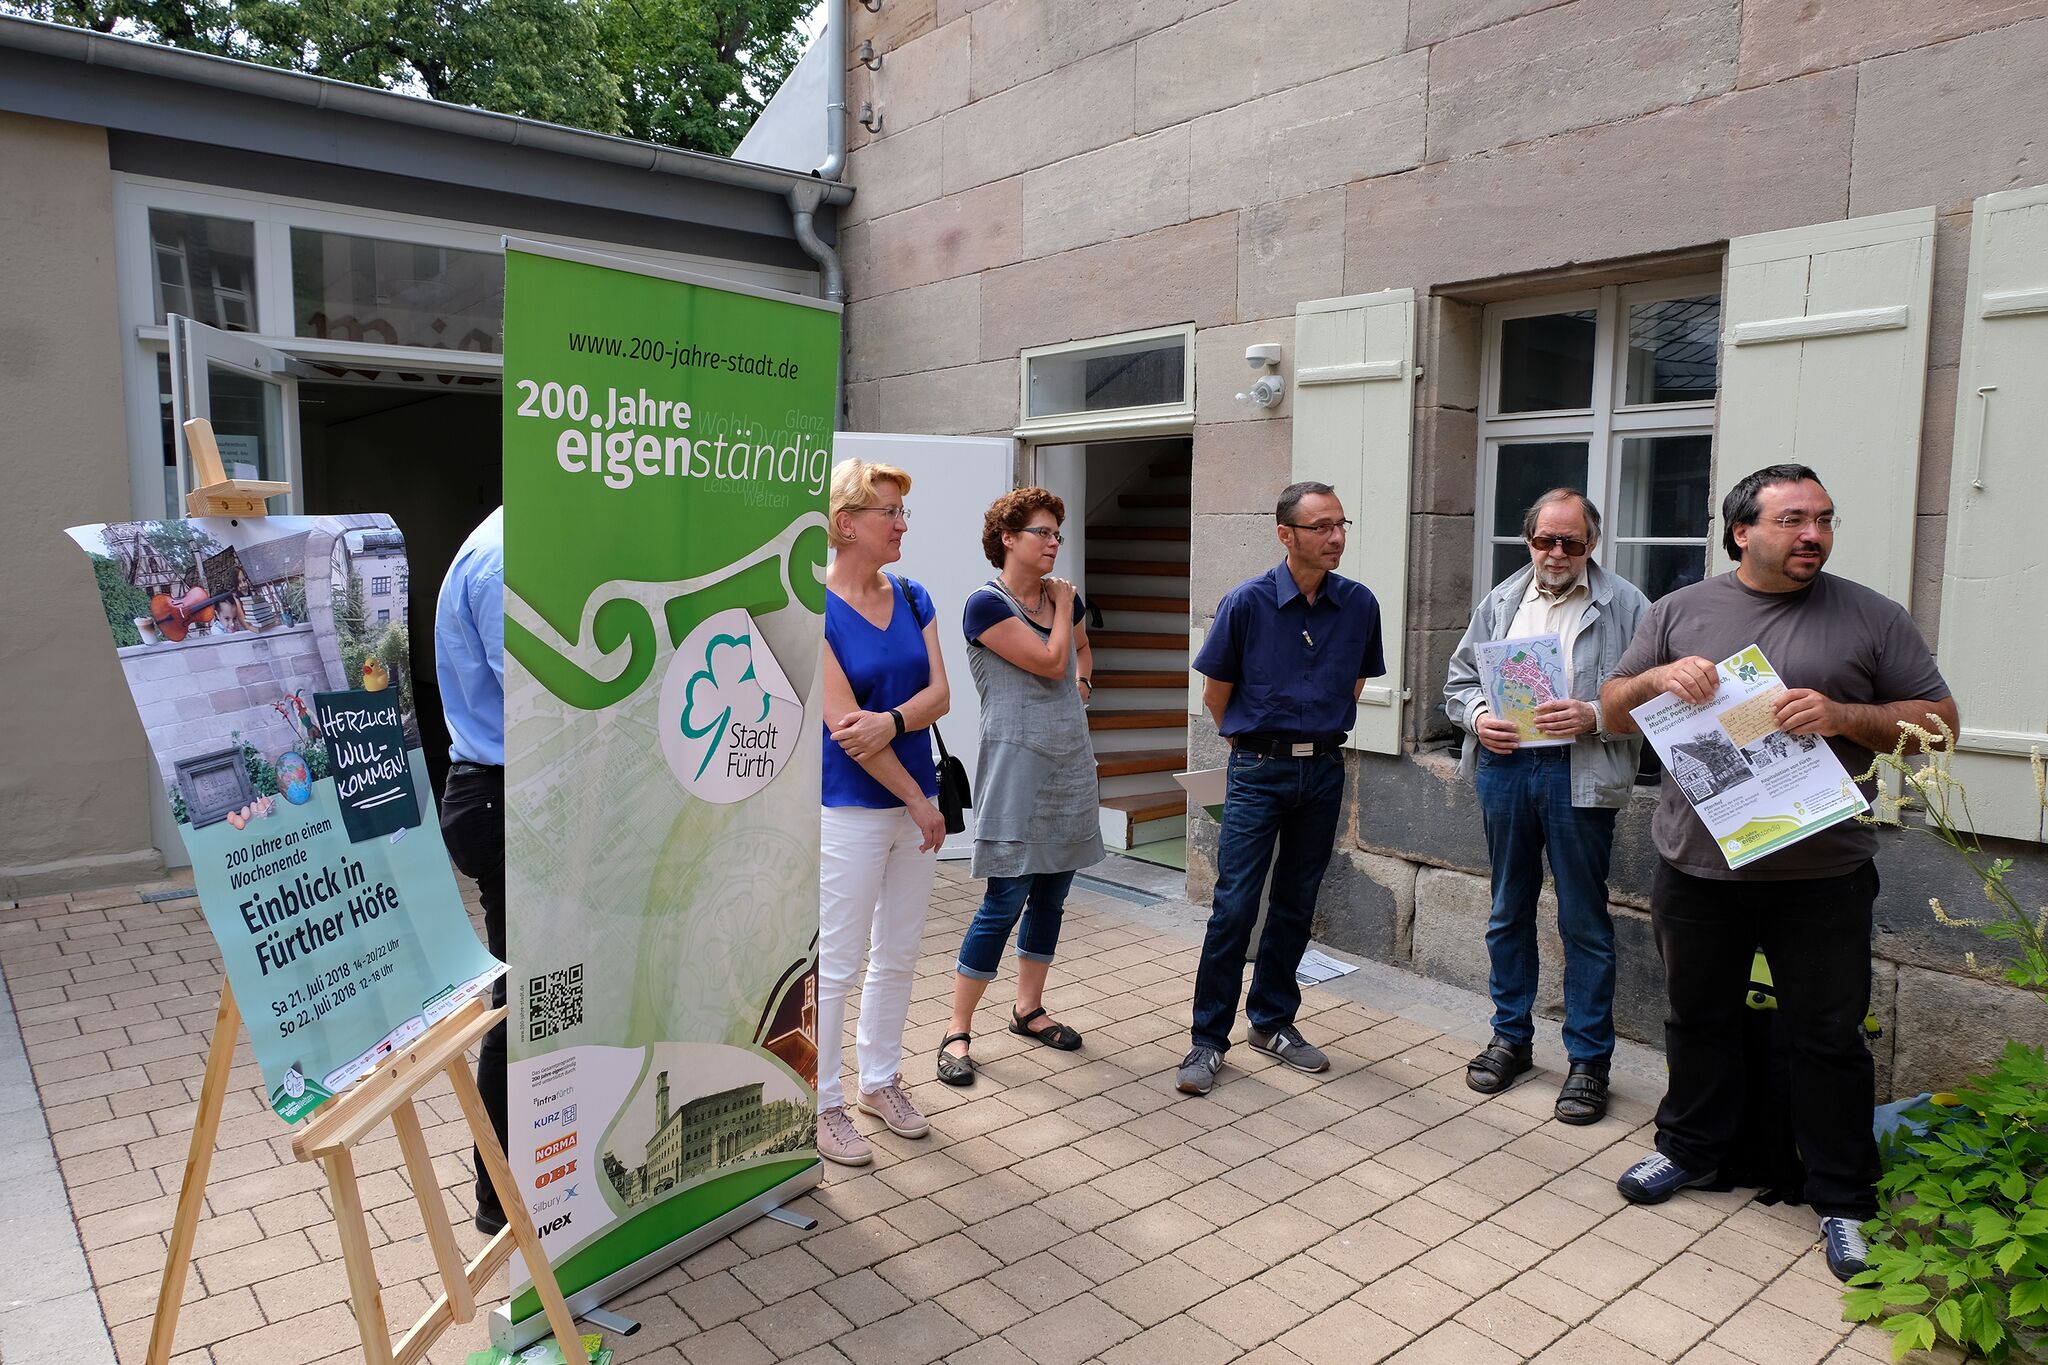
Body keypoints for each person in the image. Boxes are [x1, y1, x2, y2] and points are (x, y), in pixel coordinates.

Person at [1598, 464, 1958, 1282]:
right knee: (1698, 1016)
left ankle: (1843, 1196)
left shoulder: (1872, 615)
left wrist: (1842, 714)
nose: (1814, 535)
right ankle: (1691, 1148)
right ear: (1741, 531)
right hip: (1698, 867)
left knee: (1827, 1037)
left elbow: (1941, 723)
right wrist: (1655, 679)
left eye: (1824, 519)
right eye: (1794, 519)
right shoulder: (1679, 610)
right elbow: (1612, 709)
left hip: (1823, 872)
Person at [1443, 489, 1649, 1125]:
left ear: (1592, 544)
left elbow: (1657, 697)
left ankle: (1588, 1061)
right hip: (1505, 769)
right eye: (1544, 541)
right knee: (1508, 909)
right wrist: (1480, 716)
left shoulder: (1627, 605)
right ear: (1528, 541)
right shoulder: (1502, 600)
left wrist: (1595, 715)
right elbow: (1459, 682)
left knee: (1584, 920)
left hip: (1578, 772)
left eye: (1571, 542)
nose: (1556, 553)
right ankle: (1511, 1038)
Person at [1178, 480, 1385, 1096]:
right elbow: (1216, 695)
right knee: (1235, 905)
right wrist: (1255, 744)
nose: (1336, 537)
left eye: (1341, 525)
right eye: (1322, 526)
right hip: (1257, 770)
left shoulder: (1360, 604)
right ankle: (1207, 1040)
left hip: (1323, 771)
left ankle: (1270, 1022)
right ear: (1285, 535)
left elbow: (1354, 684)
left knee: (1297, 902)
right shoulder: (1246, 603)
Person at [936, 488, 1104, 1086]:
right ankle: (957, 1029)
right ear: (1008, 538)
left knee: (1052, 896)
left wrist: (1083, 690)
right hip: (1016, 768)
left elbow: (1079, 654)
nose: (1054, 542)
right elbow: (1051, 660)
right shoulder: (987, 605)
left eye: (1057, 532)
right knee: (1004, 900)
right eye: (1042, 532)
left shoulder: (1061, 602)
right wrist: (1065, 605)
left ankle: (1028, 1010)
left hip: (1069, 765)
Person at [816, 459, 951, 1166]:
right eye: (888, 512)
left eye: (903, 511)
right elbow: (846, 730)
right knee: (837, 962)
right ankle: (821, 1103)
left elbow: (940, 696)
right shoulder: (813, 608)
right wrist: (916, 798)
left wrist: (892, 720)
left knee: (897, 952)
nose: (902, 524)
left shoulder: (913, 594)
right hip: (852, 808)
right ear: (845, 524)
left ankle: (879, 1081)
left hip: (913, 803)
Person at [434, 505, 509, 1234]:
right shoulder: (505, 556)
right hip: (501, 795)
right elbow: (544, 699)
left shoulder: (512, 542)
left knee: (540, 994)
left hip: (507, 790)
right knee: (524, 1003)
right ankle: (499, 1199)